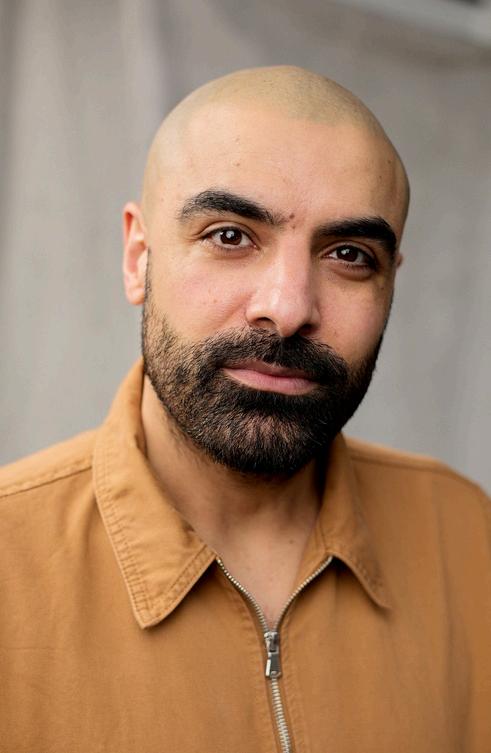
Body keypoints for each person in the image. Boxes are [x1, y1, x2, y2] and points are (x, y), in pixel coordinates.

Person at [0, 66, 489, 753]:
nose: (287, 308)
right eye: (230, 236)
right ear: (139, 258)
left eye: (349, 254)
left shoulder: (468, 537)